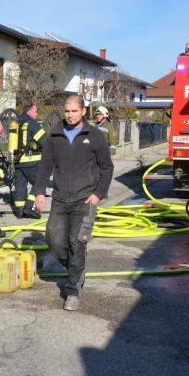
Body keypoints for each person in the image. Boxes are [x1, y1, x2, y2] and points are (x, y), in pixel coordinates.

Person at [35, 95, 114, 311]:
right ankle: (76, 269)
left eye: (74, 111)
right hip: (60, 199)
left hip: (84, 200)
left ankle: (73, 291)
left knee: (77, 244)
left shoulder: (95, 135)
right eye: (67, 111)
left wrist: (99, 194)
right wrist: (39, 191)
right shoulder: (55, 134)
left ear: (83, 111)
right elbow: (45, 165)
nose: (70, 115)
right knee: (54, 240)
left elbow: (107, 167)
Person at [12, 104, 45, 219]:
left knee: (20, 185)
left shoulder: (17, 123)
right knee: (39, 183)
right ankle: (28, 208)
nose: (37, 114)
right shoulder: (32, 124)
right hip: (31, 161)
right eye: (36, 111)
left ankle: (19, 211)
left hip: (18, 161)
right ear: (29, 111)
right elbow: (44, 141)